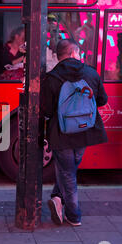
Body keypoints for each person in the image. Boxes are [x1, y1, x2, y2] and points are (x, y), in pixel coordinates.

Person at [41, 39, 108, 226]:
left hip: (61, 133)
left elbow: (45, 110)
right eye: (78, 53)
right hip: (85, 130)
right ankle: (59, 200)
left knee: (67, 171)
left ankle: (73, 214)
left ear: (58, 56)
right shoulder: (91, 73)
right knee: (69, 170)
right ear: (73, 54)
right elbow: (102, 100)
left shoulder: (51, 78)